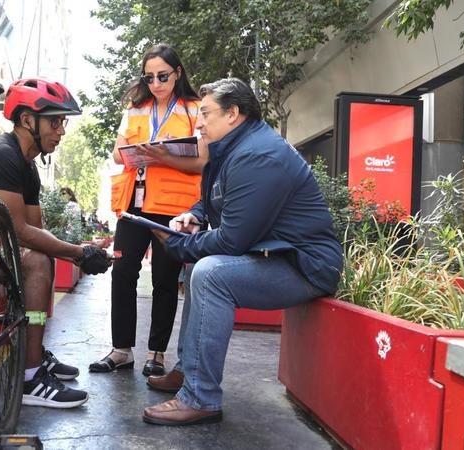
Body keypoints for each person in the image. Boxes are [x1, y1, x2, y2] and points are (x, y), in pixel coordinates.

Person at [142, 78, 343, 426]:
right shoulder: (235, 147)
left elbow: (233, 241)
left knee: (209, 272)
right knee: (197, 270)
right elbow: (212, 199)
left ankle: (200, 397)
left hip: (303, 266)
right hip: (274, 255)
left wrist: (179, 245)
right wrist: (194, 215)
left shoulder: (259, 155)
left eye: (205, 114)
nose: (198, 123)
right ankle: (189, 372)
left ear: (233, 113)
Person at [0, 77, 111, 409]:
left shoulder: (27, 166)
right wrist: (79, 253)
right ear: (28, 120)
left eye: (63, 122)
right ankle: (29, 378)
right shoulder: (2, 154)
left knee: (43, 256)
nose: (62, 130)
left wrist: (77, 254)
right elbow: (19, 231)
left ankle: (34, 353)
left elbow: (35, 231)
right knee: (38, 261)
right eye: (55, 121)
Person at [90, 44, 207, 377]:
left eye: (163, 76)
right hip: (134, 202)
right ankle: (121, 350)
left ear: (178, 73)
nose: (156, 83)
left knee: (165, 280)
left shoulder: (195, 110)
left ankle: (156, 354)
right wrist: (138, 153)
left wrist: (161, 156)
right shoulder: (135, 109)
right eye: (150, 77)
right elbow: (116, 155)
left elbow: (202, 161)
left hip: (173, 207)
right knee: (122, 272)